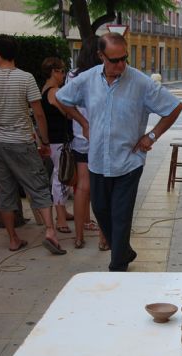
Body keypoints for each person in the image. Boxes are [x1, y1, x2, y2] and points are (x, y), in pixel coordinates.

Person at [57, 33, 182, 271]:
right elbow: (61, 98)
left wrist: (151, 136)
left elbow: (175, 107)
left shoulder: (140, 82)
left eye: (124, 58)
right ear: (101, 56)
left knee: (121, 216)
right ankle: (124, 250)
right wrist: (83, 123)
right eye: (114, 60)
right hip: (97, 160)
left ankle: (118, 266)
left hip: (128, 162)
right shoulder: (87, 80)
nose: (121, 65)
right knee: (102, 211)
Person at [0, 35, 66, 255]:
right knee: (38, 186)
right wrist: (44, 141)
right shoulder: (26, 79)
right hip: (22, 142)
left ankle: (13, 238)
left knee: (5, 192)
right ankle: (50, 231)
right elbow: (38, 114)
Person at [65, 38, 109, 251]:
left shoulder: (73, 75)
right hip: (100, 137)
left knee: (82, 186)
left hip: (80, 137)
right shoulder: (102, 76)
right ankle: (103, 238)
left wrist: (81, 122)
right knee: (101, 188)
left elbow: (64, 101)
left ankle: (79, 236)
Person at [40, 57, 74, 234]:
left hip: (55, 140)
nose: (63, 75)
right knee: (61, 177)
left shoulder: (45, 90)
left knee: (61, 175)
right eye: (61, 71)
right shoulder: (54, 92)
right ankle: (60, 218)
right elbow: (68, 113)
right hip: (59, 140)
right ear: (54, 72)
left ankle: (63, 213)